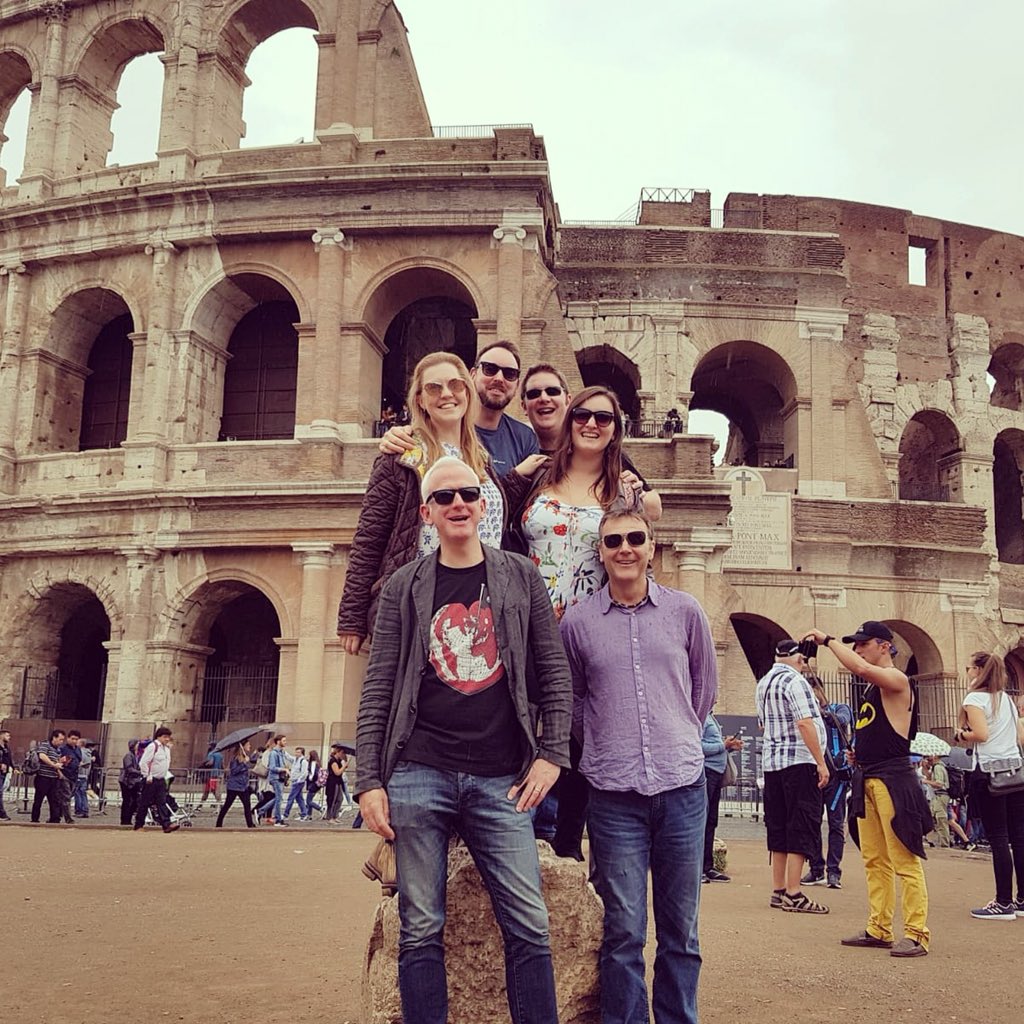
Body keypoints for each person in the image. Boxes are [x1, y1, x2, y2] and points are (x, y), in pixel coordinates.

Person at [355, 455, 571, 1024]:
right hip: (419, 769)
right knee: (420, 924)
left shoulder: (520, 574)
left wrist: (552, 755)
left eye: (468, 495)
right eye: (445, 498)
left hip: (503, 775)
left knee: (528, 921)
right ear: (427, 512)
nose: (458, 505)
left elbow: (553, 669)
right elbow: (378, 685)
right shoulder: (405, 585)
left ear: (483, 506)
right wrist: (369, 781)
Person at [560, 509, 717, 1024]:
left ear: (652, 547)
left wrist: (678, 736)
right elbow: (575, 700)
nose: (624, 548)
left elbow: (703, 688)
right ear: (600, 551)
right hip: (613, 792)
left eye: (635, 539)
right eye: (613, 541)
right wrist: (607, 741)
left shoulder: (685, 611)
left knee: (681, 929)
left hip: (681, 787)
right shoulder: (579, 622)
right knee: (623, 929)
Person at [337, 352, 507, 655]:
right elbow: (369, 537)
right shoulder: (402, 455)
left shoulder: (480, 458)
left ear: (468, 393)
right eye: (434, 388)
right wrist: (351, 617)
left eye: (456, 385)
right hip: (419, 601)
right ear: (419, 400)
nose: (446, 394)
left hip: (481, 603)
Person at [805, 622, 932, 957]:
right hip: (869, 777)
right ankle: (879, 927)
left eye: (863, 643)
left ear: (884, 645)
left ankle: (918, 933)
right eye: (855, 644)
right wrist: (858, 752)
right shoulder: (872, 690)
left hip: (893, 780)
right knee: (874, 859)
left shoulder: (897, 680)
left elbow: (860, 667)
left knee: (904, 857)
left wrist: (828, 640)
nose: (859, 649)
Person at [519, 363, 662, 519]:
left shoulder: (607, 455)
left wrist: (637, 495)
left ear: (568, 400)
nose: (544, 398)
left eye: (552, 391)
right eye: (582, 415)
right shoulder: (520, 453)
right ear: (523, 406)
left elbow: (654, 509)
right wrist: (515, 476)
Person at [755, 639, 830, 915]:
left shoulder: (763, 683)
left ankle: (778, 889)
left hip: (773, 762)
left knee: (778, 825)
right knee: (802, 822)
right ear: (797, 657)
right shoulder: (795, 682)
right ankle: (794, 891)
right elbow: (804, 722)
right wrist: (821, 762)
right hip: (799, 761)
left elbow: (763, 724)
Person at [955, 650, 1024, 920]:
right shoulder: (1005, 698)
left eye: (970, 667)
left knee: (998, 837)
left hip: (989, 772)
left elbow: (981, 734)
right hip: (1015, 770)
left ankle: (1003, 901)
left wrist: (962, 733)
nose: (968, 672)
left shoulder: (975, 698)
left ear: (979, 670)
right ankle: (1021, 899)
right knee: (1019, 836)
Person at [802, 678, 854, 889]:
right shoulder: (807, 716)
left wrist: (820, 712)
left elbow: (840, 720)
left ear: (820, 690)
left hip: (837, 777)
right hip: (814, 774)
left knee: (835, 824)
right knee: (812, 823)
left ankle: (834, 871)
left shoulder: (839, 708)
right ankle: (816, 869)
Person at [701, 711, 743, 883]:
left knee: (711, 821)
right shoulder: (700, 716)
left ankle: (707, 866)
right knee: (701, 822)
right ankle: (698, 869)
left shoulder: (711, 717)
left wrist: (729, 746)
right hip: (706, 773)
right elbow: (697, 746)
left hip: (716, 774)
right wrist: (723, 745)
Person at [133, 727, 180, 833]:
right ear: (159, 737)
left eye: (168, 737)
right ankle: (138, 825)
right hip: (151, 779)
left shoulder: (166, 749)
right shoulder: (152, 747)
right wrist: (148, 776)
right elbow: (144, 762)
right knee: (145, 803)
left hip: (161, 779)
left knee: (162, 802)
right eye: (165, 737)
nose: (167, 739)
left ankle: (166, 824)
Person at [216, 741, 256, 828]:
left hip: (243, 786)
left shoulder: (245, 757)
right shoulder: (235, 759)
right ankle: (218, 823)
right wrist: (244, 763)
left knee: (247, 805)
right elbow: (234, 771)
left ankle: (250, 824)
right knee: (227, 805)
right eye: (248, 744)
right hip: (234, 786)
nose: (250, 746)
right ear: (243, 746)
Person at [31, 728, 66, 823]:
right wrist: (53, 764)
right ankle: (35, 819)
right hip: (43, 777)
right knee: (38, 799)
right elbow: (42, 756)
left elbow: (56, 762)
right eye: (60, 739)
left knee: (54, 800)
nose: (61, 742)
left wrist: (59, 771)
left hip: (53, 778)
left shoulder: (58, 750)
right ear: (54, 738)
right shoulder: (45, 745)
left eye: (63, 740)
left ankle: (54, 819)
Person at [921, 756, 951, 848]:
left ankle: (944, 843)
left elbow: (939, 783)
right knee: (932, 817)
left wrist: (925, 781)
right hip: (936, 796)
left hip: (940, 795)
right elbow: (931, 779)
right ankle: (931, 840)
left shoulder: (938, 767)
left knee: (940, 818)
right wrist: (925, 769)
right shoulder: (935, 767)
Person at [57, 729, 82, 824]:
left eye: (76, 739)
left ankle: (59, 814)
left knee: (68, 796)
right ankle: (68, 818)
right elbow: (57, 759)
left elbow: (79, 760)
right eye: (72, 739)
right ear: (68, 738)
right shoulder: (62, 749)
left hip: (74, 776)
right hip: (65, 774)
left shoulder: (78, 749)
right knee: (66, 796)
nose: (74, 741)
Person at [118, 739, 144, 826]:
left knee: (133, 801)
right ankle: (125, 819)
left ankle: (127, 818)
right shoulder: (129, 756)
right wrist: (139, 772)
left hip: (133, 781)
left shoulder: (134, 755)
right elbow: (128, 768)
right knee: (127, 800)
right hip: (127, 781)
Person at [267, 733, 290, 827]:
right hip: (275, 778)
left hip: (279, 778)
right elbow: (272, 767)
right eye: (284, 740)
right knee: (279, 799)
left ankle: (261, 811)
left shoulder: (281, 752)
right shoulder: (274, 753)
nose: (285, 742)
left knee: (278, 798)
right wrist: (283, 769)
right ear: (278, 742)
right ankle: (277, 820)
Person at [284, 746, 310, 821]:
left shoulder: (304, 761)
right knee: (299, 799)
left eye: (298, 752)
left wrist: (299, 780)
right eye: (296, 752)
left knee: (291, 798)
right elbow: (288, 757)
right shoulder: (295, 759)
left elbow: (304, 773)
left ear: (302, 753)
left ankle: (286, 814)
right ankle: (304, 814)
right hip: (295, 781)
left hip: (298, 782)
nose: (296, 753)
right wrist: (283, 751)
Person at [325, 743, 348, 821]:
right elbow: (337, 772)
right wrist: (344, 767)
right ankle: (330, 817)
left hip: (338, 782)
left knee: (340, 799)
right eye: (342, 753)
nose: (343, 754)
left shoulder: (339, 761)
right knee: (332, 799)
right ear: (338, 752)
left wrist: (344, 765)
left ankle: (335, 816)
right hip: (332, 782)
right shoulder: (333, 761)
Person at [198, 741, 224, 810]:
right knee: (211, 790)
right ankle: (200, 805)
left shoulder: (211, 754)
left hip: (210, 774)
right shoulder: (220, 755)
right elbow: (222, 765)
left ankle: (220, 803)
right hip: (217, 774)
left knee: (211, 790)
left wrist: (203, 765)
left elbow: (210, 763)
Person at [74, 739, 94, 817]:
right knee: (83, 793)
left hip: (79, 774)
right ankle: (85, 810)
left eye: (77, 742)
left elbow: (79, 763)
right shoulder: (88, 753)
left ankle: (79, 810)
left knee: (78, 793)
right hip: (85, 775)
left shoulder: (80, 752)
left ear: (81, 744)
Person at [305, 749, 323, 817]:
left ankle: (320, 808)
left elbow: (312, 774)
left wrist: (309, 777)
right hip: (317, 784)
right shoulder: (318, 763)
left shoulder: (313, 763)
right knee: (310, 800)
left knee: (308, 801)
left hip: (313, 784)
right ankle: (309, 815)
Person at [0, 729, 13, 821]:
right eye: (7, 735)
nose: (9, 737)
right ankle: (2, 814)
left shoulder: (6, 747)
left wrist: (13, 767)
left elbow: (9, 758)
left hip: (4, 773)